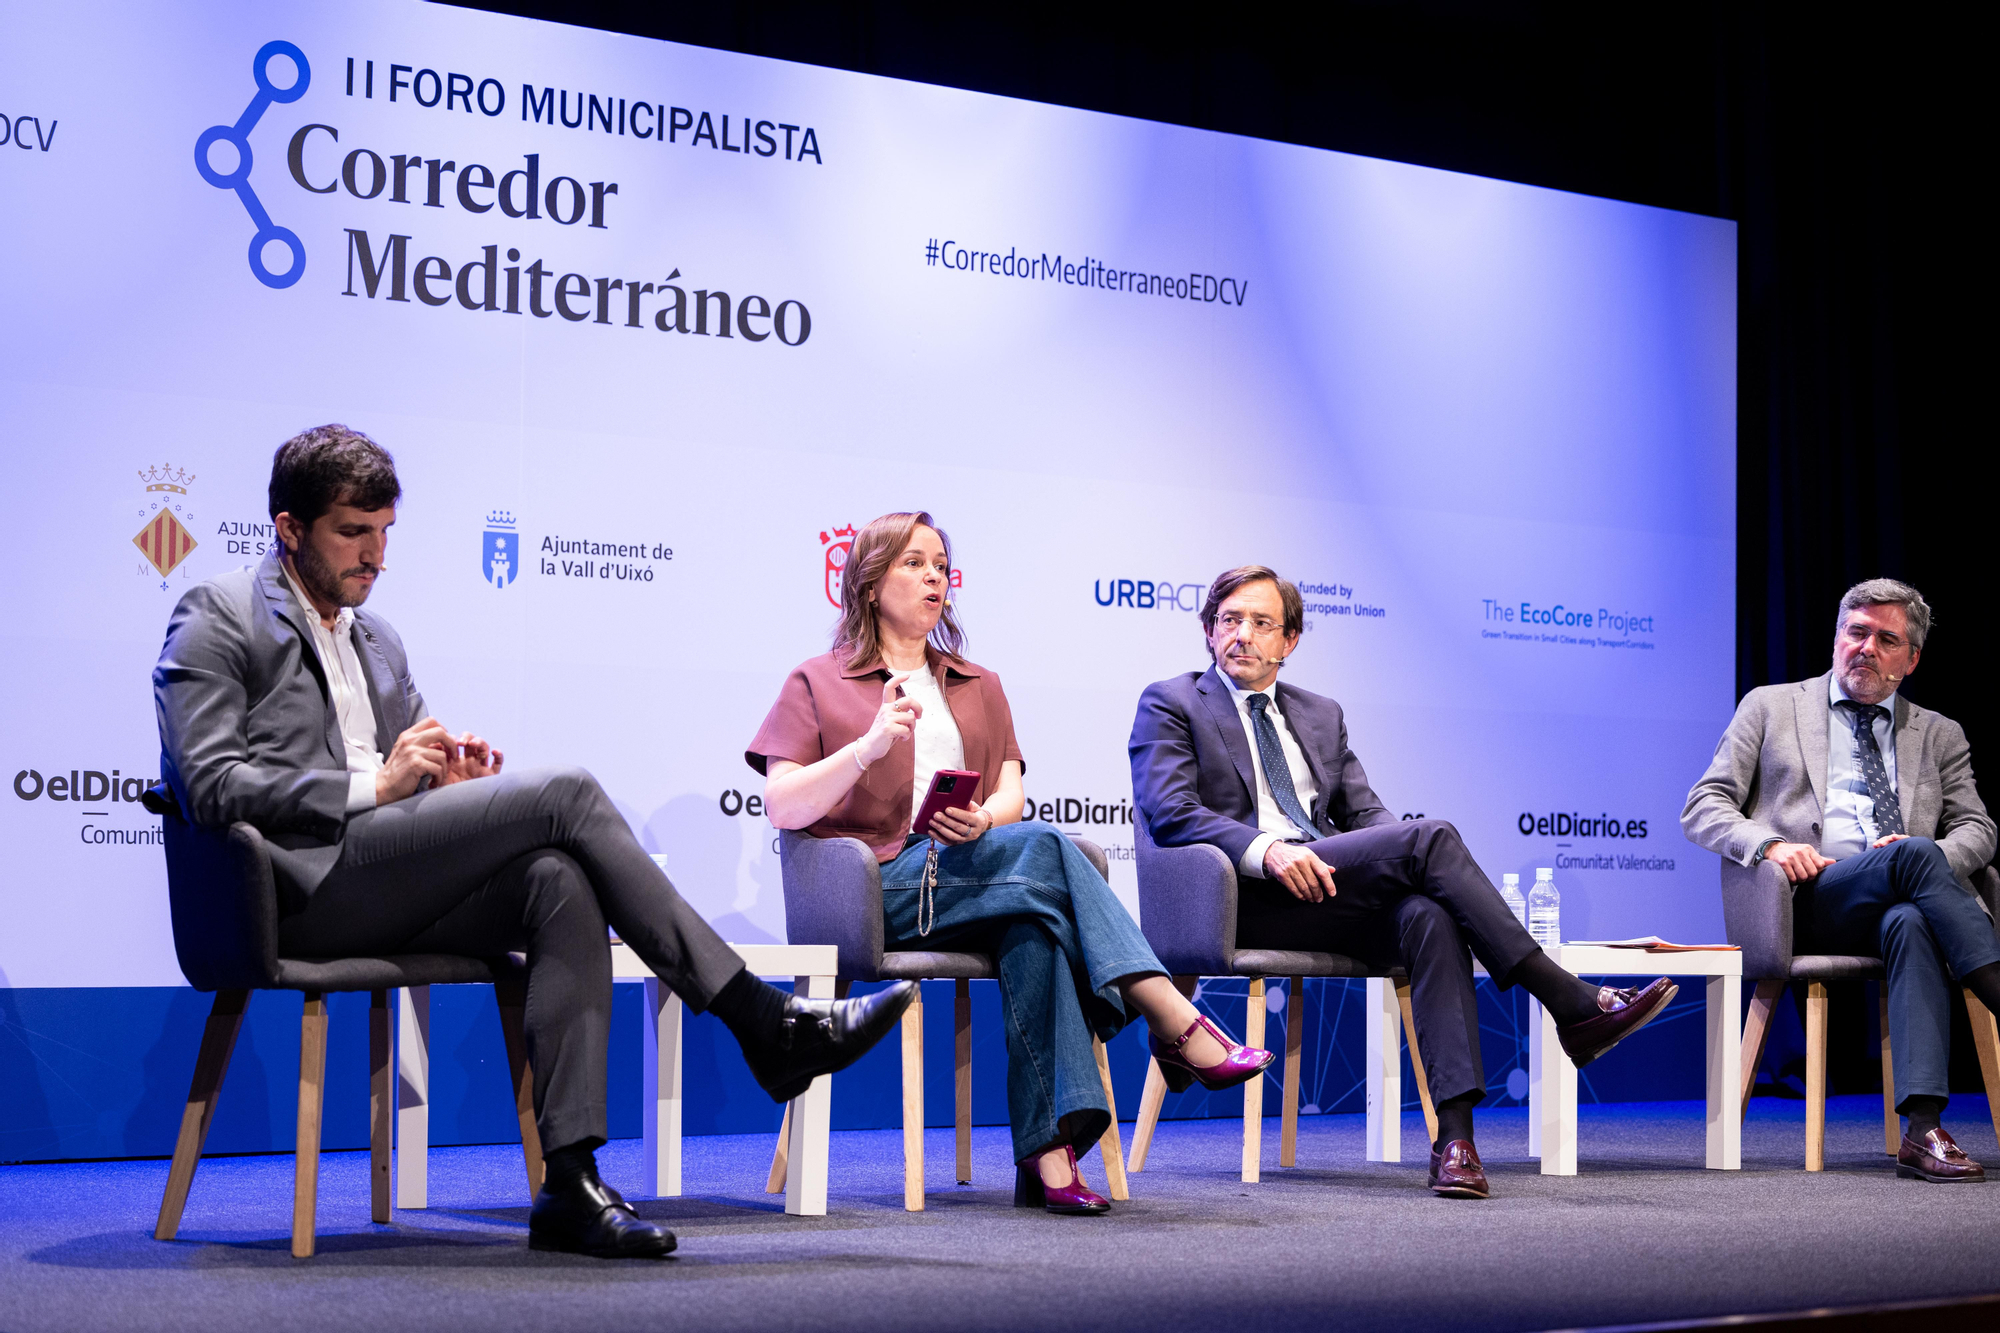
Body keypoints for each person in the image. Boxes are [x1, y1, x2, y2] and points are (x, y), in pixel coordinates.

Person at [152, 425, 914, 1258]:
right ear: (288, 527)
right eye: (352, 533)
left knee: (557, 877)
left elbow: (410, 775)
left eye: (384, 534)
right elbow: (209, 783)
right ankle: (763, 1019)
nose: (375, 557)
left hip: (386, 880)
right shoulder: (216, 615)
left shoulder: (378, 638)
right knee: (566, 792)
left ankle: (570, 1184)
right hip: (296, 893)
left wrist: (450, 780)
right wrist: (378, 784)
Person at [747, 512, 1273, 1215]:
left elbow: (1011, 796)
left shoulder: (975, 682)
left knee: (1038, 929)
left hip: (974, 873)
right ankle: (1171, 1017)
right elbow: (783, 804)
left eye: (940, 564)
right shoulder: (819, 680)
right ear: (870, 583)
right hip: (878, 888)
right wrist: (866, 749)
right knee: (1050, 847)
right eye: (914, 564)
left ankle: (1048, 1154)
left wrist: (982, 818)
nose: (934, 576)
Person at [1129, 565, 1678, 1199]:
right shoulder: (1172, 701)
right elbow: (1170, 812)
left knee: (1430, 913)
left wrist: (1387, 867)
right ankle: (1569, 1001)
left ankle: (1456, 1141)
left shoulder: (1320, 714)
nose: (1243, 635)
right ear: (1208, 631)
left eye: (1261, 623)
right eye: (1229, 621)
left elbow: (1366, 816)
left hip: (1326, 886)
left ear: (1291, 640)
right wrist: (1268, 850)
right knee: (1432, 838)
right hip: (1238, 896)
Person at [1683, 578, 2000, 1182]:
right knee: (1913, 860)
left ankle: (1923, 1129)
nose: (1867, 648)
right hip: (1808, 899)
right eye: (1856, 633)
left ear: (1911, 660)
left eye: (1887, 640)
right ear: (1836, 638)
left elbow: (1978, 829)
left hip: (1903, 902)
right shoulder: (1771, 706)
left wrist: (1927, 853)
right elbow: (1704, 804)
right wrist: (1771, 845)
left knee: (1911, 908)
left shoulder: (1938, 733)